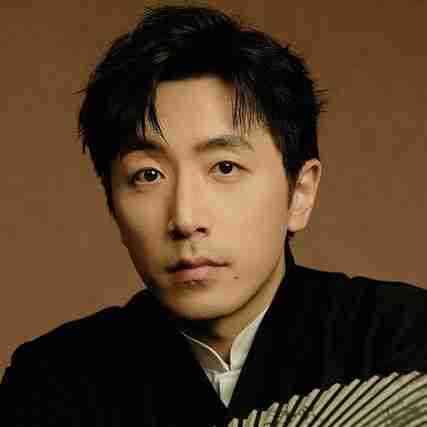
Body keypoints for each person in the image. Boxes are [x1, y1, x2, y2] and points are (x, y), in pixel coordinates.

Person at [2, 4, 427, 426]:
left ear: (300, 192)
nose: (185, 218)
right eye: (148, 175)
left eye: (225, 167)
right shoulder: (52, 382)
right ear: (112, 203)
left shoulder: (403, 339)